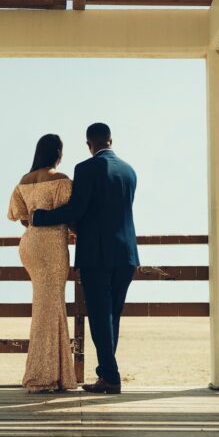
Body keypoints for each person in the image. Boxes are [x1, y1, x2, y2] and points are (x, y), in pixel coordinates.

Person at [32, 122, 138, 394]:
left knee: (100, 318)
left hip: (96, 255)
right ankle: (107, 374)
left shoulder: (85, 168)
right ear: (111, 141)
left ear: (89, 144)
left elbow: (76, 209)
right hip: (127, 255)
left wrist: (41, 217)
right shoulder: (129, 171)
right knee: (112, 317)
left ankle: (111, 378)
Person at [7, 134, 77, 393]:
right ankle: (41, 376)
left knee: (48, 306)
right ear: (58, 153)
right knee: (49, 307)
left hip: (30, 245)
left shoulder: (23, 181)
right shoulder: (61, 180)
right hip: (52, 246)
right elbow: (69, 214)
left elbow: (21, 217)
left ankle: (56, 373)